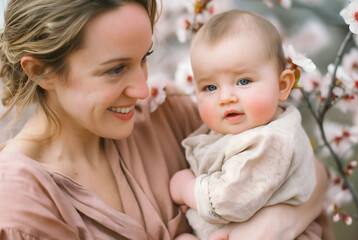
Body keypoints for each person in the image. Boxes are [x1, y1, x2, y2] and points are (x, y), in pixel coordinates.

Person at [0, 0, 330, 239]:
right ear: (41, 71)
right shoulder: (21, 204)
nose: (144, 89)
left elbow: (306, 168)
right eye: (116, 69)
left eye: (144, 58)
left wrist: (268, 229)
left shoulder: (166, 113)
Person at [170, 9, 324, 240]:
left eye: (243, 81)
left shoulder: (269, 142)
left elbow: (227, 202)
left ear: (282, 86)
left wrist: (187, 188)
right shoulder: (244, 127)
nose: (226, 97)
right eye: (210, 87)